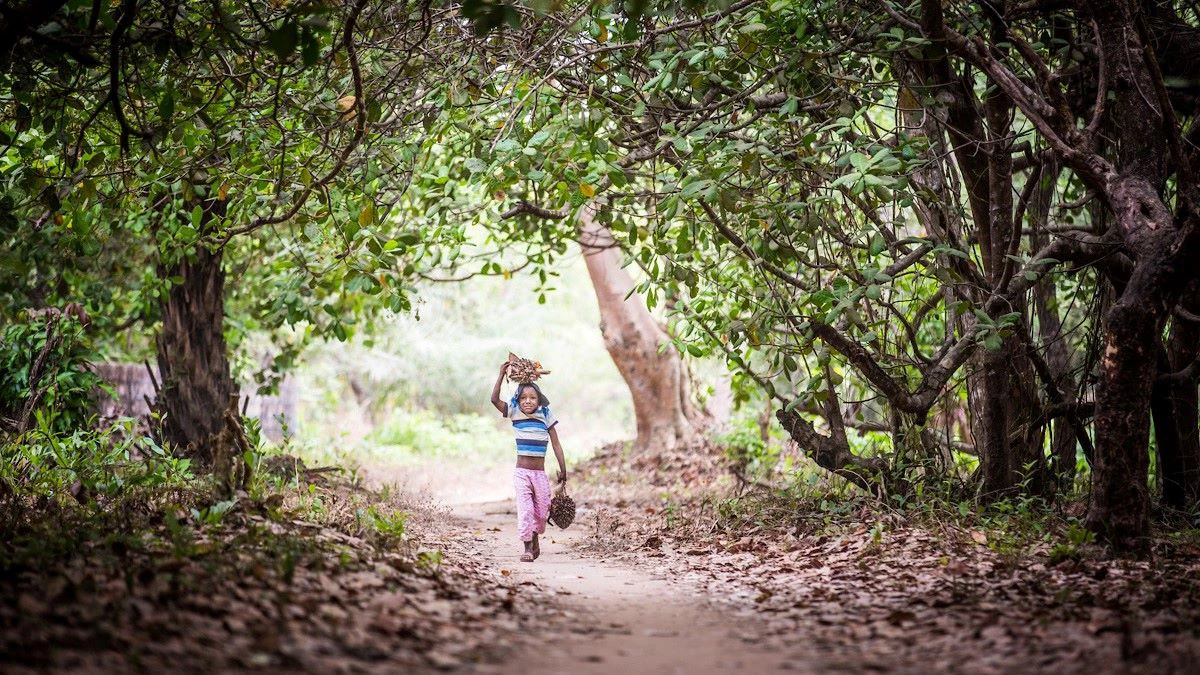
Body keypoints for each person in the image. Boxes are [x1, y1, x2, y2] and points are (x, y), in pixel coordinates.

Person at [490, 360, 567, 562]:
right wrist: (500, 375)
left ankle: (535, 538)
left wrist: (563, 470)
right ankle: (527, 548)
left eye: (532, 397)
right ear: (518, 400)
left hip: (539, 474)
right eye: (523, 397)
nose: (528, 401)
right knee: (525, 511)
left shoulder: (545, 414)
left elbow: (556, 444)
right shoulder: (514, 412)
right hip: (521, 473)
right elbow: (494, 400)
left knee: (541, 514)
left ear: (539, 399)